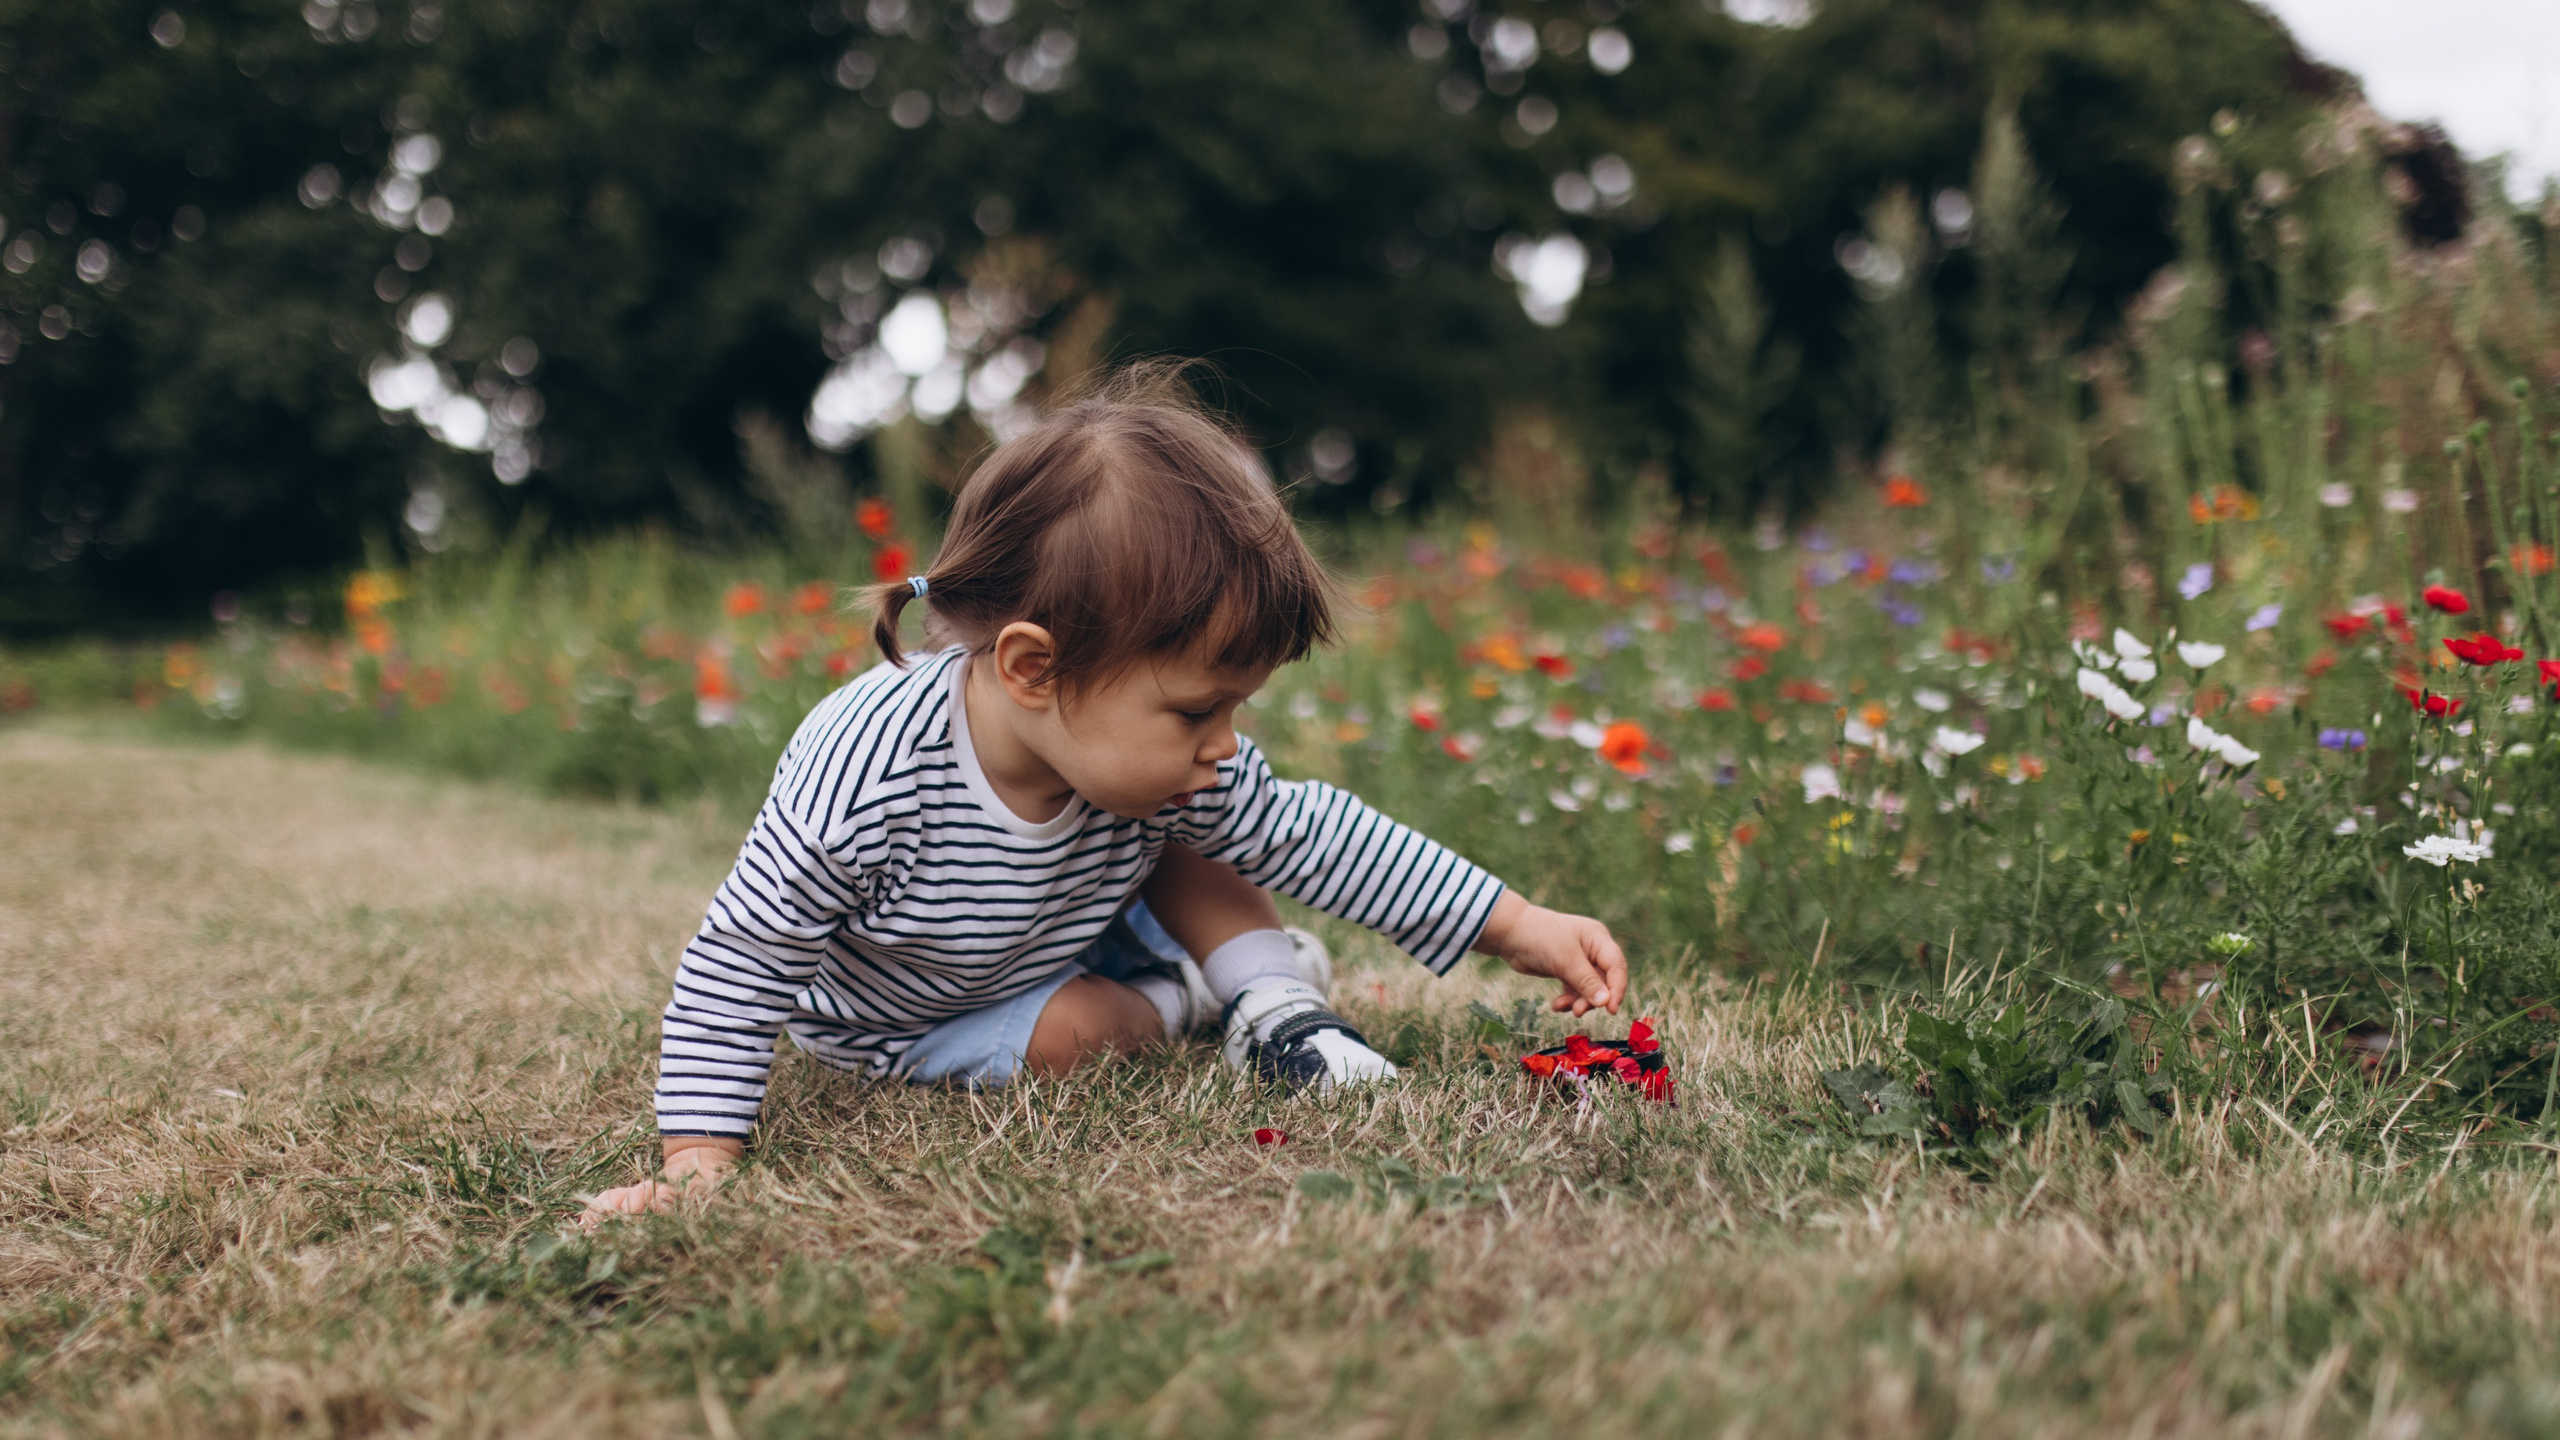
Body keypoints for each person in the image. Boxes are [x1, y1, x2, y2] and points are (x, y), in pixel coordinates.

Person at [581, 369, 1627, 1221]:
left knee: (1201, 815)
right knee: (1076, 1036)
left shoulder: (1148, 757)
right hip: (917, 1018)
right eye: (1194, 710)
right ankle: (1209, 995)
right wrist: (698, 1160)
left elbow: (1316, 837)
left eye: (1236, 709)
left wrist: (1515, 922)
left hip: (1060, 913)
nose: (1226, 741)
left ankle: (1270, 989)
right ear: (1033, 667)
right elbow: (742, 960)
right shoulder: (870, 773)